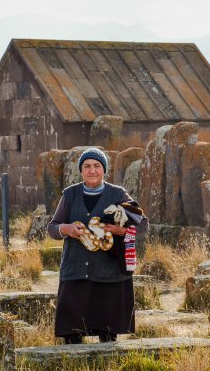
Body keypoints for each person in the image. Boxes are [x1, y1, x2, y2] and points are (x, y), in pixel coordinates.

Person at [47, 147, 149, 344]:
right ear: (81, 170)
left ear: (104, 170)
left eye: (96, 166)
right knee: (72, 335)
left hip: (109, 275)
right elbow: (52, 227)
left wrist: (121, 231)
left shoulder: (118, 194)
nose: (92, 170)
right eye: (87, 166)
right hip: (75, 273)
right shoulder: (70, 195)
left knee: (108, 335)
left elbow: (143, 224)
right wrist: (67, 229)